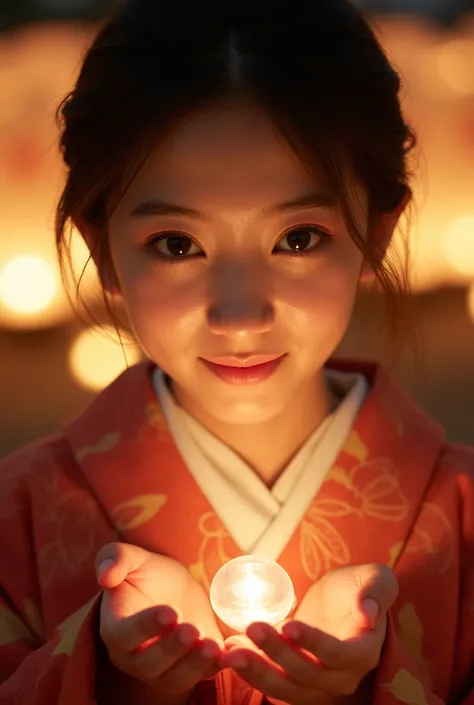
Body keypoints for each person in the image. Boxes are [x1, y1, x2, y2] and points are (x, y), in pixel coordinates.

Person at [0, 0, 473, 703]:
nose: (241, 315)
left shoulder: (459, 519)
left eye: (299, 238)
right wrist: (111, 675)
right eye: (177, 245)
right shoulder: (19, 517)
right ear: (101, 248)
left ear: (377, 229)